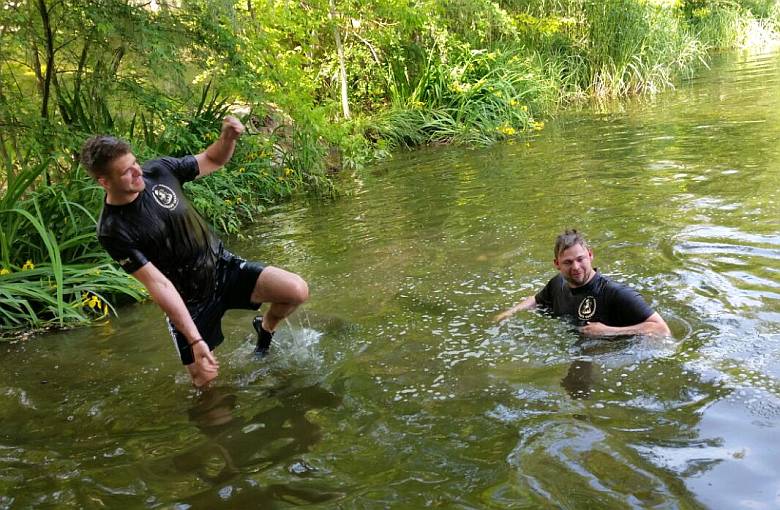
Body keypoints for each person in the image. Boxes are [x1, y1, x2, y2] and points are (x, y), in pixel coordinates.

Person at [80, 116, 309, 387]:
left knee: (296, 291)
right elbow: (158, 284)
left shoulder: (159, 171)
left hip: (223, 266)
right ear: (104, 182)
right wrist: (195, 339)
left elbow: (213, 160)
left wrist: (228, 138)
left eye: (135, 164)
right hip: (190, 300)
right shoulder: (113, 229)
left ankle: (265, 328)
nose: (137, 172)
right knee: (206, 382)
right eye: (126, 172)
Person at [495, 229, 670, 337]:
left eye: (580, 259)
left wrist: (609, 331)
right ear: (557, 264)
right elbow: (536, 299)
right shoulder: (557, 284)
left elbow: (661, 329)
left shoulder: (615, 293)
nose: (576, 267)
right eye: (568, 262)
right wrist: (508, 314)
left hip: (609, 353)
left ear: (590, 255)